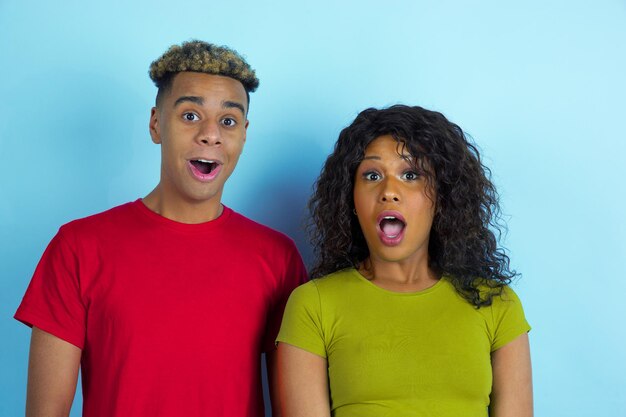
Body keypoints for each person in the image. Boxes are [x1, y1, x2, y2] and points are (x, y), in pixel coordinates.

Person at [15, 40, 307, 417]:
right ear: (156, 124)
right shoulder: (78, 247)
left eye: (229, 121)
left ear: (244, 134)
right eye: (190, 115)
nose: (210, 134)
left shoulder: (278, 259)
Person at [276, 105, 532, 417]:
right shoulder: (312, 305)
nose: (388, 192)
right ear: (350, 199)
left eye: (410, 174)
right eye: (372, 175)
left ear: (441, 196)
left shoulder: (498, 305)